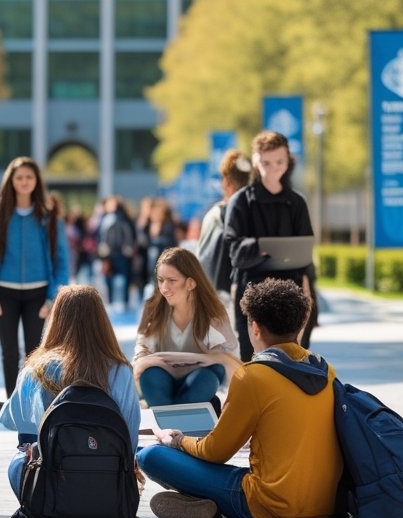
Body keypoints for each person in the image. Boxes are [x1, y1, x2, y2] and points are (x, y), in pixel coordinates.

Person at [137, 278, 341, 518]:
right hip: (328, 504)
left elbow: (215, 453)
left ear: (255, 328)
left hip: (270, 506)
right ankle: (202, 503)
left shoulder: (253, 375)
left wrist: (178, 440)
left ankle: (205, 501)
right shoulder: (325, 370)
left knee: (150, 455)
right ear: (301, 325)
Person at [0, 285, 141, 494]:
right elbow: (130, 434)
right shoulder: (120, 370)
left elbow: (13, 421)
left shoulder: (36, 368)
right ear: (102, 321)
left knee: (20, 456)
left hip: (51, 489)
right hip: (108, 489)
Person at [0, 157, 70, 396]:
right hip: (4, 291)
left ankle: (31, 400)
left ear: (37, 180)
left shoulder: (48, 215)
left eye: (29, 177)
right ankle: (12, 400)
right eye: (19, 177)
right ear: (11, 181)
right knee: (9, 352)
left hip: (38, 294)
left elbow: (61, 257)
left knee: (35, 351)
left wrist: (53, 297)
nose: (24, 182)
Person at [223, 131, 314, 362]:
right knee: (252, 360)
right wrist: (262, 248)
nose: (272, 168)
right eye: (265, 162)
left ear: (288, 161)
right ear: (254, 160)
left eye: (279, 162)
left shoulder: (296, 202)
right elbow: (234, 251)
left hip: (290, 293)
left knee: (293, 360)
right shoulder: (241, 201)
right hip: (251, 294)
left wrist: (308, 288)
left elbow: (305, 251)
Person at [133, 248, 239, 410]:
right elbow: (141, 350)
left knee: (207, 378)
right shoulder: (152, 307)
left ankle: (172, 422)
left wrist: (212, 358)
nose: (164, 288)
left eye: (171, 280)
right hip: (162, 376)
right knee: (150, 377)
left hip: (199, 378)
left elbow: (230, 354)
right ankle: (187, 417)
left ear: (191, 283)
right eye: (161, 280)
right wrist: (145, 361)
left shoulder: (213, 311)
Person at [196, 148, 252, 305]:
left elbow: (203, 258)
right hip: (251, 294)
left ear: (225, 182)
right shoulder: (257, 211)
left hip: (219, 297)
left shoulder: (215, 215)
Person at [97, 195, 137, 310]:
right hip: (111, 254)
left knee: (122, 278)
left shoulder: (122, 218)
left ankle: (122, 302)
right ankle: (113, 302)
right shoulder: (105, 218)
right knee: (110, 278)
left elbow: (130, 235)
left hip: (119, 254)